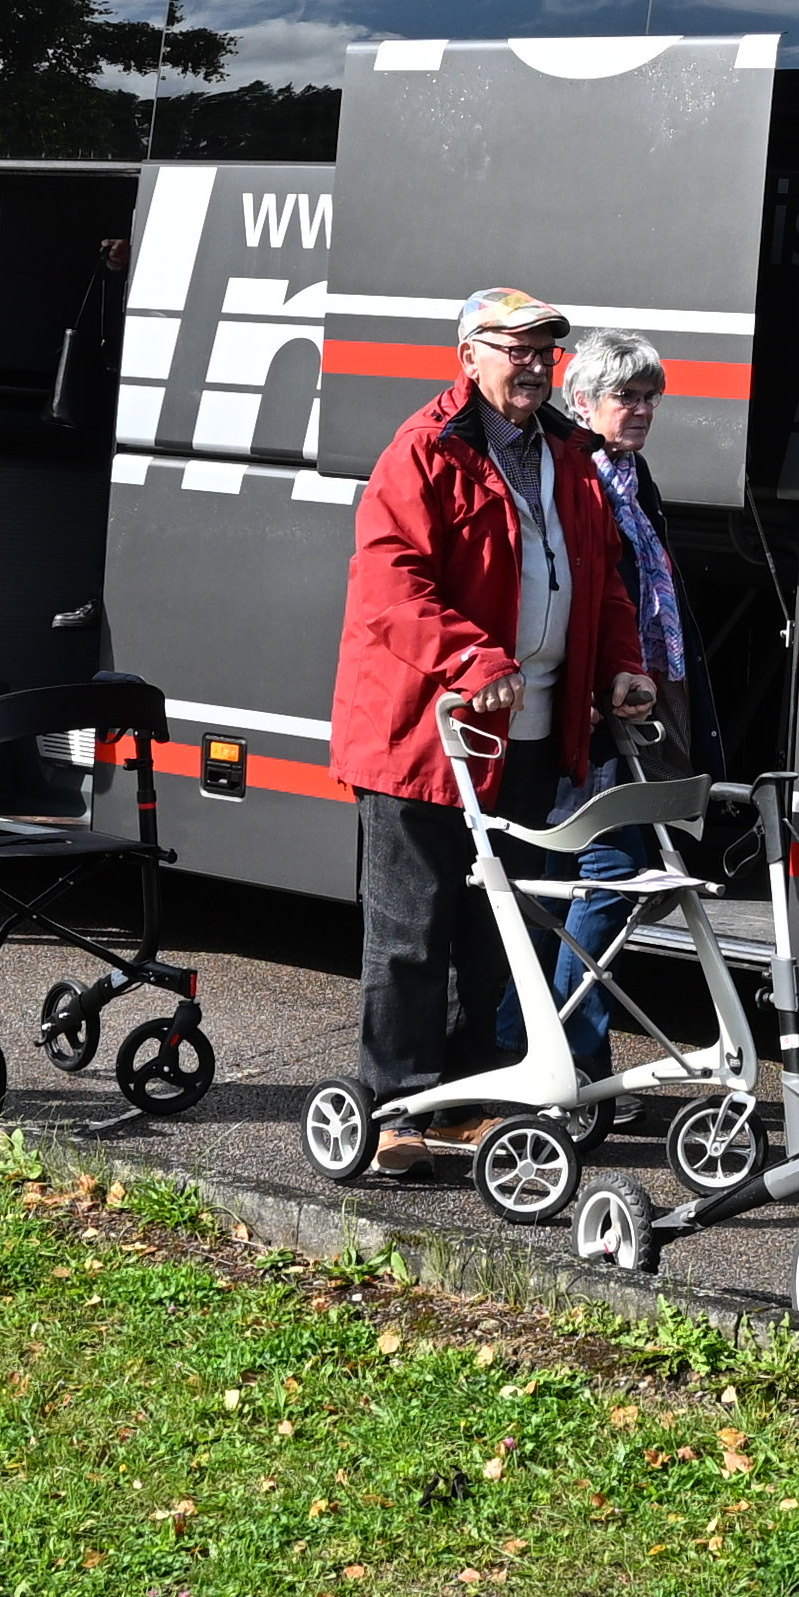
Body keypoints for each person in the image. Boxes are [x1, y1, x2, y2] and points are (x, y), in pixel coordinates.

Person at [327, 286, 653, 1174]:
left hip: (535, 737)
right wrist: (474, 661)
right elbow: (390, 586)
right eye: (515, 347)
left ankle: (469, 1103)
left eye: (547, 349)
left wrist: (624, 666)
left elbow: (605, 582)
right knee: (411, 932)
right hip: (427, 741)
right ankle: (397, 1108)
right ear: (468, 355)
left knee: (501, 932)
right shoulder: (423, 451)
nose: (535, 364)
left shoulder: (569, 459)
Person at [528, 328, 719, 1083]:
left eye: (649, 397)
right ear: (583, 403)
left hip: (638, 706)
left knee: (608, 872)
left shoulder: (633, 477)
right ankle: (569, 1053)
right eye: (625, 397)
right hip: (598, 711)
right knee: (609, 868)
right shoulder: (581, 482)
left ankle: (551, 1040)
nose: (640, 410)